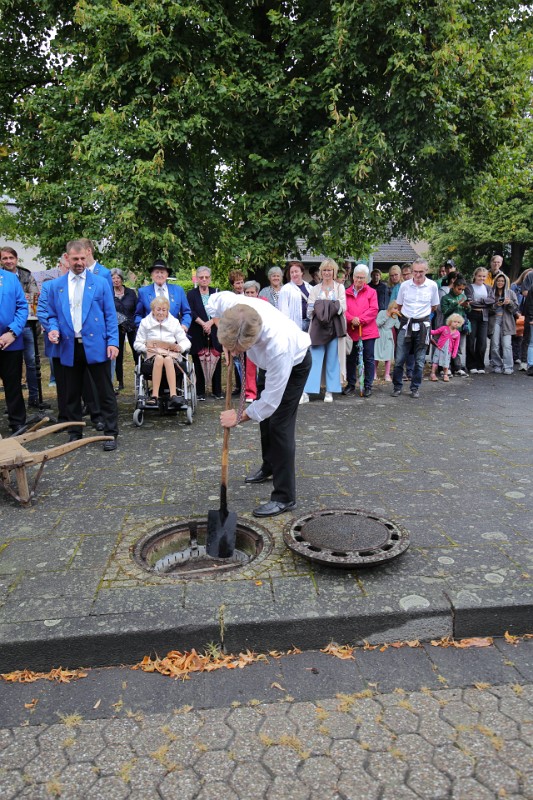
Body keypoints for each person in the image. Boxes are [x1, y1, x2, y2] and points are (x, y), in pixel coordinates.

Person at [207, 292, 311, 518]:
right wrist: (225, 340)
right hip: (266, 364)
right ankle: (269, 466)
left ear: (253, 341)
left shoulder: (278, 347)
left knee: (279, 426)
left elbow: (270, 403)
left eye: (238, 349)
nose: (235, 353)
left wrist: (239, 417)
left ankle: (284, 497)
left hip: (296, 364)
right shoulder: (231, 305)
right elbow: (212, 303)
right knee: (265, 423)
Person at [46, 240, 119, 450]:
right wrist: (53, 328)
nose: (79, 262)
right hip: (69, 346)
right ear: (66, 258)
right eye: (75, 259)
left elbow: (110, 315)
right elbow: (52, 314)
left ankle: (110, 433)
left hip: (97, 345)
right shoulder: (56, 286)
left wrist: (113, 342)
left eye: (82, 258)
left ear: (87, 257)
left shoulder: (100, 283)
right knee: (71, 393)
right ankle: (74, 433)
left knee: (104, 392)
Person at [0, 246, 49, 410]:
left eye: (11, 258)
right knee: (11, 370)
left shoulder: (25, 275)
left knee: (31, 362)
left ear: (16, 259)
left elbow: (33, 297)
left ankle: (33, 397)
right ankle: (10, 405)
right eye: (5, 258)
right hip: (6, 328)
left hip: (26, 325)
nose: (8, 261)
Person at [392, 258, 440, 398]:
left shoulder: (432, 286)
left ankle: (415, 388)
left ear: (426, 271)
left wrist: (421, 316)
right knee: (399, 359)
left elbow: (434, 306)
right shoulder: (404, 286)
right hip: (406, 324)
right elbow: (399, 305)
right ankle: (397, 386)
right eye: (415, 271)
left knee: (419, 361)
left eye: (421, 272)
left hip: (423, 325)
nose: (417, 274)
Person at [134, 297, 191, 408]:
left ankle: (173, 395)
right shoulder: (145, 323)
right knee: (159, 358)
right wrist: (146, 349)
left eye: (164, 310)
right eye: (158, 309)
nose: (161, 312)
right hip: (152, 355)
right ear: (153, 310)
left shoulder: (174, 322)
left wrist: (180, 348)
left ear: (167, 311)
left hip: (171, 355)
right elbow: (137, 343)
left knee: (168, 359)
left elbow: (186, 342)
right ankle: (154, 396)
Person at [304, 258, 346, 402]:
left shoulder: (339, 288)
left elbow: (343, 307)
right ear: (321, 272)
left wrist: (322, 306)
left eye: (330, 270)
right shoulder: (315, 289)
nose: (327, 273)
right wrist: (329, 305)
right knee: (315, 359)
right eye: (325, 270)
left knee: (333, 359)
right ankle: (308, 391)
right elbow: (310, 309)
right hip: (318, 328)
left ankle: (330, 390)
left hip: (334, 328)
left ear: (334, 272)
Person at [343, 264, 379, 398]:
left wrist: (360, 320)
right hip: (351, 331)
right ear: (353, 277)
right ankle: (351, 384)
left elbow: (373, 310)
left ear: (366, 279)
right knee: (351, 359)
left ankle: (368, 385)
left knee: (368, 359)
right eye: (357, 277)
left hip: (368, 332)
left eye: (362, 278)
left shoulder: (372, 292)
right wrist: (351, 319)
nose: (359, 280)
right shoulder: (346, 292)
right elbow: (343, 309)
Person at [187, 266, 222, 401]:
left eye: (207, 277)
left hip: (214, 329)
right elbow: (191, 311)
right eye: (201, 277)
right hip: (197, 329)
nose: (204, 279)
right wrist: (203, 324)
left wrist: (210, 323)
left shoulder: (216, 292)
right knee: (198, 359)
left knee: (216, 358)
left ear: (210, 278)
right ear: (197, 279)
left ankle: (217, 391)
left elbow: (220, 310)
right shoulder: (191, 294)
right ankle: (200, 392)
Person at [278, 260, 312, 404]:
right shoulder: (286, 289)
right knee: (297, 358)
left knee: (308, 358)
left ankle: (307, 389)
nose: (294, 274)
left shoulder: (310, 287)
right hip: (294, 327)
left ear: (302, 272)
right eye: (291, 272)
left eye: (296, 271)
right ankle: (297, 391)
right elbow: (283, 311)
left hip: (309, 325)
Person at [0, 264, 28, 433]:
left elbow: (22, 307)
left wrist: (12, 332)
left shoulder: (10, 279)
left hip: (10, 341)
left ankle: (17, 422)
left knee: (13, 384)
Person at [135, 259, 192, 329]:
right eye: (157, 272)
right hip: (151, 333)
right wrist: (143, 328)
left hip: (174, 332)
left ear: (167, 274)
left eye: (162, 272)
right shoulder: (143, 292)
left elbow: (186, 312)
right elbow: (138, 315)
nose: (159, 275)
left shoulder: (178, 290)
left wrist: (185, 325)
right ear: (152, 275)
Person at [111, 268, 138, 391]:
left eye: (118, 278)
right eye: (113, 278)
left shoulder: (130, 293)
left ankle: (139, 377)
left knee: (136, 352)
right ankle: (120, 382)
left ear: (122, 279)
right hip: (117, 327)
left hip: (131, 326)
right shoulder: (109, 293)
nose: (116, 280)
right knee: (118, 354)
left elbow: (137, 308)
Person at [465, 267, 495, 374]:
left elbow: (492, 300)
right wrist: (484, 303)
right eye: (479, 276)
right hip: (472, 315)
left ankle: (480, 365)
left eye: (484, 276)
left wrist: (479, 301)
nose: (481, 278)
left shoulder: (488, 288)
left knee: (482, 342)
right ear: (475, 276)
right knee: (471, 341)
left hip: (484, 316)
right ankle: (471, 365)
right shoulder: (469, 287)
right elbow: (470, 302)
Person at [488, 273, 518, 374]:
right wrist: (496, 305)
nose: (500, 282)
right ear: (495, 281)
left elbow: (515, 309)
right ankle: (497, 365)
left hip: (507, 321)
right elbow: (488, 310)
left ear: (506, 282)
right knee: (495, 344)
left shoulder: (511, 293)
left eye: (502, 281)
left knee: (507, 345)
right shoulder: (491, 293)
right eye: (498, 280)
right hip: (495, 320)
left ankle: (508, 366)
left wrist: (509, 303)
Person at [440, 274, 469, 375]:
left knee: (458, 348)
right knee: (447, 347)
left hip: (460, 327)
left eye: (462, 289)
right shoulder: (445, 297)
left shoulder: (463, 296)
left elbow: (468, 311)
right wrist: (456, 304)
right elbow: (445, 311)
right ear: (453, 286)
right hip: (449, 327)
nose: (460, 291)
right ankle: (446, 367)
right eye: (458, 288)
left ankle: (457, 367)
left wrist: (467, 306)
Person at [430, 314, 463, 382]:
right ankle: (433, 374)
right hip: (439, 348)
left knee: (446, 363)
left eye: (458, 322)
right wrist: (428, 331)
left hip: (448, 351)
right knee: (435, 361)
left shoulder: (457, 333)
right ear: (450, 321)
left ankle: (445, 374)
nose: (456, 323)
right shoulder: (444, 328)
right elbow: (435, 332)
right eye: (455, 321)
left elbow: (456, 345)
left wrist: (454, 353)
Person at [374, 301, 400, 382]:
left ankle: (387, 374)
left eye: (398, 309)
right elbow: (377, 323)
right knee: (376, 355)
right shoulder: (382, 312)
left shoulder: (395, 316)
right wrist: (387, 315)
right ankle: (374, 373)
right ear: (390, 307)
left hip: (388, 336)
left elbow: (398, 326)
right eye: (395, 308)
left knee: (388, 356)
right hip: (379, 335)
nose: (396, 310)